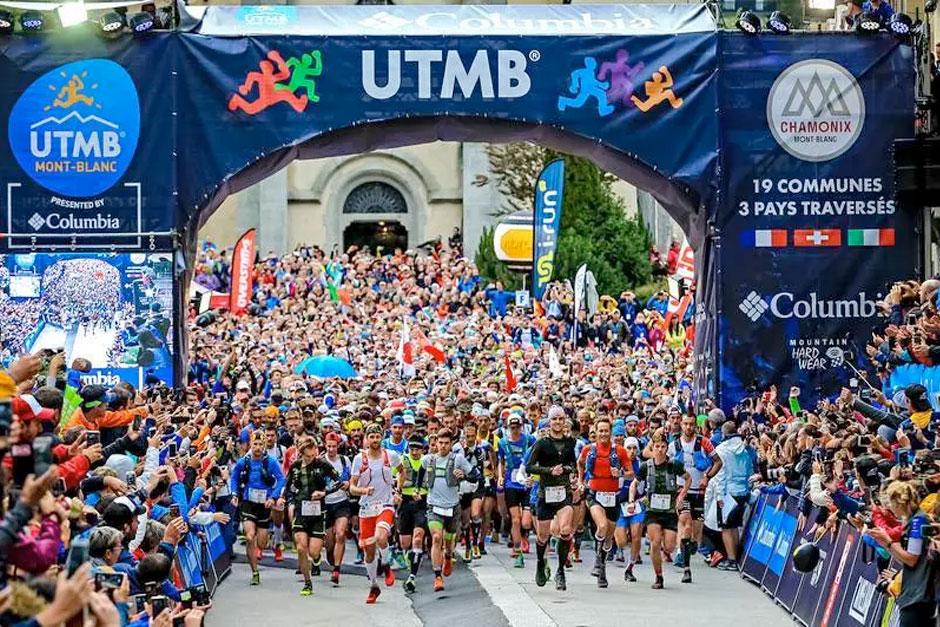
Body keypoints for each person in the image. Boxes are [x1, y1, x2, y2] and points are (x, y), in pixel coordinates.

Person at [866, 481, 938, 627]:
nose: (889, 507)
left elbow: (911, 559)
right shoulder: (912, 522)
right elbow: (905, 559)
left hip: (919, 597)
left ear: (898, 503)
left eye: (891, 503)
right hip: (913, 595)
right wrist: (884, 543)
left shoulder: (918, 522)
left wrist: (888, 542)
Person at [350, 423, 404, 604]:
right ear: (367, 439)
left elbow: (403, 472)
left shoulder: (391, 455)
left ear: (382, 437)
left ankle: (387, 565)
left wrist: (398, 491)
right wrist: (364, 491)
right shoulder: (360, 459)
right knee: (369, 552)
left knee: (381, 536)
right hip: (366, 508)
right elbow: (352, 487)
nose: (374, 440)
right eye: (371, 437)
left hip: (385, 505)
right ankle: (374, 585)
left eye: (377, 436)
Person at [280, 436, 341, 596]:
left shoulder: (322, 465)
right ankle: (308, 583)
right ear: (301, 454)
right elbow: (288, 486)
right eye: (307, 456)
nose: (311, 459)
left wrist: (324, 492)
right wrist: (284, 497)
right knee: (301, 547)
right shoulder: (295, 467)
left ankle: (316, 559)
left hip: (318, 513)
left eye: (313, 455)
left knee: (314, 551)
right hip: (301, 510)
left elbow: (339, 481)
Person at [525, 406, 578, 591]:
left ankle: (561, 571)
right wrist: (549, 470)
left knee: (565, 530)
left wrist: (569, 472)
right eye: (554, 419)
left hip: (564, 493)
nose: (557, 422)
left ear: (565, 422)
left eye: (560, 419)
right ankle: (541, 562)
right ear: (550, 421)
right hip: (545, 494)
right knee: (542, 536)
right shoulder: (542, 444)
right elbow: (529, 467)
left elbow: (573, 464)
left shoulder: (571, 443)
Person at [630, 434, 690, 589]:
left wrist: (681, 495)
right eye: (657, 447)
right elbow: (634, 484)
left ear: (667, 447)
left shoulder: (674, 465)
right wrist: (631, 501)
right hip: (653, 511)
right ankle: (659, 576)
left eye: (663, 446)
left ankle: (665, 550)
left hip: (669, 510)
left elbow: (688, 478)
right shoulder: (646, 466)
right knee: (655, 542)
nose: (660, 450)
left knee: (669, 546)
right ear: (653, 448)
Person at [577, 417, 630, 588]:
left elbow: (631, 474)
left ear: (611, 432)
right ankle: (598, 562)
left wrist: (620, 473)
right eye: (600, 430)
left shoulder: (620, 452)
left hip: (612, 496)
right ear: (596, 432)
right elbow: (579, 463)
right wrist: (580, 481)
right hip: (594, 494)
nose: (604, 434)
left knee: (609, 538)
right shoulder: (588, 450)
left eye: (606, 430)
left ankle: (602, 569)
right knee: (602, 526)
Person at [230, 430, 286, 586]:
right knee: (249, 536)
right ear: (251, 444)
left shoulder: (271, 462)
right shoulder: (244, 461)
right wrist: (235, 494)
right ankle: (254, 571)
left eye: (261, 444)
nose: (258, 447)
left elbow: (281, 479)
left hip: (264, 503)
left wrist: (273, 497)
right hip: (248, 502)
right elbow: (234, 477)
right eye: (255, 444)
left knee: (261, 543)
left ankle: (262, 546)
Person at [668, 414, 719, 583]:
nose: (688, 427)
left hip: (699, 491)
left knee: (696, 531)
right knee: (686, 522)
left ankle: (687, 547)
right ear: (681, 425)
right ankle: (681, 556)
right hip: (681, 489)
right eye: (685, 424)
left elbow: (718, 462)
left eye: (691, 424)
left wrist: (707, 477)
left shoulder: (703, 442)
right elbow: (667, 466)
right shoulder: (674, 445)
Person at [424, 428, 475, 592]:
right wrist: (418, 490)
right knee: (436, 538)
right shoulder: (429, 460)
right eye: (440, 443)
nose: (443, 446)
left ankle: (448, 555)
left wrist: (464, 475)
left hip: (452, 506)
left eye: (446, 443)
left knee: (448, 542)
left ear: (451, 444)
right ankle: (437, 576)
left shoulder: (458, 459)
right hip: (434, 505)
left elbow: (475, 475)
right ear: (435, 443)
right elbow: (419, 476)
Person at [712, 421, 754, 571]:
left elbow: (719, 475)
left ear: (723, 434)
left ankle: (731, 559)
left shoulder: (721, 450)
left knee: (726, 527)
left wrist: (719, 496)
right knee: (734, 526)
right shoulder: (745, 448)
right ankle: (735, 558)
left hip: (728, 493)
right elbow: (750, 469)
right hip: (742, 491)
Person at [497, 414, 535, 568]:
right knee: (515, 519)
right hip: (511, 483)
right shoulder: (503, 443)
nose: (515, 430)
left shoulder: (529, 440)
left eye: (517, 427)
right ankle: (517, 548)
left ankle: (525, 535)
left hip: (526, 483)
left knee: (526, 522)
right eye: (512, 428)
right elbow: (501, 460)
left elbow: (536, 457)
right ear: (508, 427)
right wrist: (500, 476)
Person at [398, 434, 429, 593]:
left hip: (422, 503)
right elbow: (393, 477)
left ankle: (412, 577)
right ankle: (412, 558)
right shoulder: (402, 460)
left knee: (418, 538)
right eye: (412, 448)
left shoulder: (428, 461)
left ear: (422, 449)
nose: (414, 451)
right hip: (405, 501)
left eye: (417, 448)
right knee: (405, 543)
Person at [322, 432, 352, 586]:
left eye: (334, 446)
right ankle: (331, 556)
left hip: (341, 502)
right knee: (329, 543)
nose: (331, 449)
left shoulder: (344, 460)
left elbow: (351, 479)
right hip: (326, 504)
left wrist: (348, 485)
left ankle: (337, 569)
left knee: (340, 534)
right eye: (329, 446)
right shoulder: (320, 461)